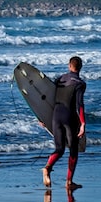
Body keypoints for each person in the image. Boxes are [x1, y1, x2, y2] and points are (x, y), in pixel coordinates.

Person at [42, 56, 86, 190]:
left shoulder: (60, 79)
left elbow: (48, 97)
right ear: (80, 67)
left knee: (59, 149)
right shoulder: (80, 83)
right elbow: (79, 105)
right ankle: (69, 182)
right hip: (69, 117)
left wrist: (42, 117)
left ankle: (47, 168)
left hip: (56, 116)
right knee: (73, 150)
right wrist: (83, 124)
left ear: (69, 66)